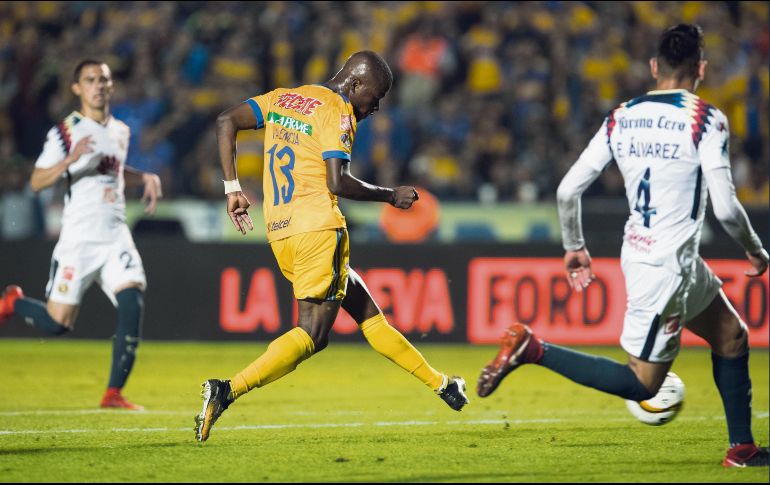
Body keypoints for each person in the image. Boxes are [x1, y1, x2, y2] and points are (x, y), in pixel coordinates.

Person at [476, 24, 768, 468]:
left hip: (662, 256)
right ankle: (533, 349)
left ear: (654, 67)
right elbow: (727, 209)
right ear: (701, 69)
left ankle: (742, 448)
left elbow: (568, 190)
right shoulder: (706, 119)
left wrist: (575, 245)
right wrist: (755, 249)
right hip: (665, 267)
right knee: (644, 385)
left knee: (731, 335)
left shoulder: (621, 116)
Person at [195, 50, 468, 442]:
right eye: (374, 97)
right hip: (319, 228)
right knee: (313, 334)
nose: (374, 107)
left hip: (281, 231)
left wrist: (232, 188)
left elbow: (226, 121)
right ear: (355, 84)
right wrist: (391, 196)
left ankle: (443, 384)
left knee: (365, 310)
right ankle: (227, 390)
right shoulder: (338, 110)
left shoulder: (284, 98)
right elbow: (337, 182)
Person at [0, 59, 163, 410]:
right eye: (90, 80)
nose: (99, 85)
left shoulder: (120, 130)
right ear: (78, 88)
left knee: (132, 299)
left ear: (111, 85)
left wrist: (144, 177)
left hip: (116, 233)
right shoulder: (67, 130)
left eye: (103, 79)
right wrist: (69, 160)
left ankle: (113, 393)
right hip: (80, 238)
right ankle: (14, 302)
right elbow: (36, 180)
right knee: (58, 324)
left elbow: (114, 171)